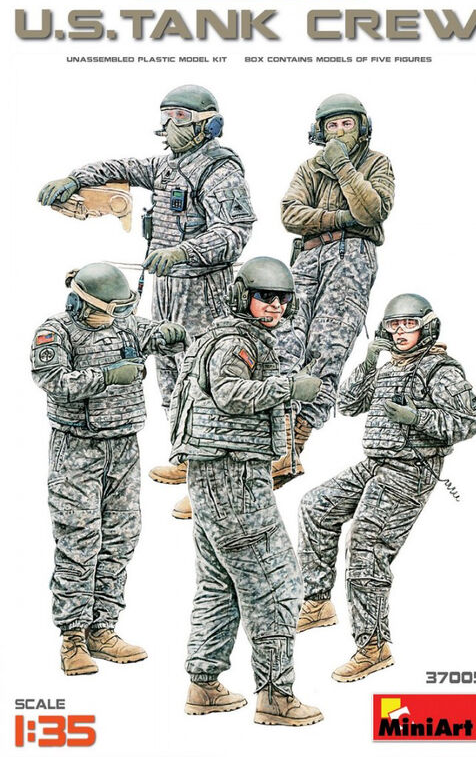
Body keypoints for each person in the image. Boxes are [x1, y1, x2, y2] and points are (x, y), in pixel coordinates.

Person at [37, 84, 256, 511]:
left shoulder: (219, 169)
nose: (169, 125)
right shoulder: (167, 166)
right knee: (171, 376)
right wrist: (76, 178)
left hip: (204, 287)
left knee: (206, 381)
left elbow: (234, 232)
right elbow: (121, 166)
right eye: (166, 115)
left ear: (207, 124)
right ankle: (189, 460)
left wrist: (183, 252)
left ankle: (215, 482)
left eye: (180, 117)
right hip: (167, 285)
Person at [296, 293, 476, 682]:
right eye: (394, 325)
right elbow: (349, 405)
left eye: (408, 324)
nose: (400, 332)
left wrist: (418, 417)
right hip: (375, 463)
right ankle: (316, 602)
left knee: (366, 545)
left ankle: (373, 646)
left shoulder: (439, 369)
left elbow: (471, 419)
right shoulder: (388, 367)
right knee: (315, 506)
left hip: (409, 470)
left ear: (426, 327)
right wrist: (368, 362)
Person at [170, 257, 324, 725]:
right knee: (277, 582)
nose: (275, 306)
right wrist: (288, 387)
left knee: (219, 583)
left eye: (282, 299)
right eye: (264, 296)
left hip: (213, 476)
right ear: (243, 297)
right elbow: (230, 394)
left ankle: (204, 684)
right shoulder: (237, 343)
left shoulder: (225, 337)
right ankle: (276, 696)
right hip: (235, 476)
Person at [31, 263, 187, 675]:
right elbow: (54, 381)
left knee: (120, 537)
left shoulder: (124, 323)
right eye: (110, 310)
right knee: (78, 539)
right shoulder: (55, 332)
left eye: (123, 309)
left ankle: (102, 629)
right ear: (84, 303)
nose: (117, 317)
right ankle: (73, 637)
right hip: (77, 448)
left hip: (124, 447)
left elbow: (152, 334)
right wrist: (106, 376)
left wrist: (171, 333)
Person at [274, 93, 395, 488]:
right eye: (332, 126)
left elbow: (371, 211)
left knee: (328, 347)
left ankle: (294, 444)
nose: (339, 131)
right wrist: (341, 216)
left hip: (351, 258)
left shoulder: (377, 163)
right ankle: (275, 438)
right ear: (320, 131)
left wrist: (342, 166)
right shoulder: (309, 168)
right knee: (283, 340)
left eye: (347, 124)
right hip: (306, 258)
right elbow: (290, 214)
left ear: (362, 127)